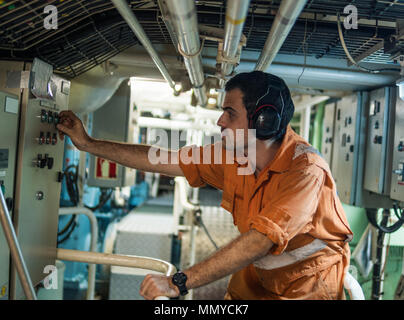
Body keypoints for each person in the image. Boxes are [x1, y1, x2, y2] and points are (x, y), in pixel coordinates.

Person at [57, 71, 353, 300]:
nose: (220, 121)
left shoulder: (305, 170)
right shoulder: (235, 156)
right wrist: (89, 144)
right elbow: (161, 159)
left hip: (307, 286)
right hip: (258, 277)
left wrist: (179, 282)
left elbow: (262, 239)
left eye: (230, 113)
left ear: (264, 121)